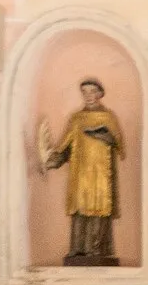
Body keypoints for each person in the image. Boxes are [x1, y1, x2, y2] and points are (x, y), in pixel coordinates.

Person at [39, 78, 125, 265]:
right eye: (85, 92)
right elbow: (66, 147)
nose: (89, 96)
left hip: (102, 173)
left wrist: (106, 136)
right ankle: (77, 248)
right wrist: (52, 161)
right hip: (80, 172)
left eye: (93, 91)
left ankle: (95, 250)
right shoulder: (76, 118)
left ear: (100, 94)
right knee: (79, 208)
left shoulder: (109, 117)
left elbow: (119, 145)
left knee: (99, 207)